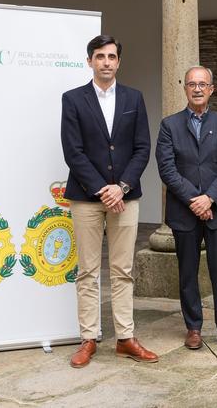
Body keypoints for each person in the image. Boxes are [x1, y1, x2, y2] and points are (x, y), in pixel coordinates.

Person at [61, 34, 157, 368]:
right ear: (89, 61)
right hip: (86, 198)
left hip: (126, 197)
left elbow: (143, 147)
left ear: (119, 61)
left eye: (112, 56)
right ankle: (88, 339)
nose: (106, 62)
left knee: (123, 270)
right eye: (100, 56)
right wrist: (104, 188)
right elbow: (73, 151)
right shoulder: (73, 99)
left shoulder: (134, 97)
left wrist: (123, 186)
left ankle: (125, 338)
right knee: (87, 270)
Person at [155, 66, 217, 353]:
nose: (197, 89)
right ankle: (193, 328)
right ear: (185, 88)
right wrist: (196, 200)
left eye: (203, 84)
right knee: (187, 273)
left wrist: (210, 199)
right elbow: (167, 169)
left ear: (211, 89)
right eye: (192, 84)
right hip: (184, 212)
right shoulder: (169, 125)